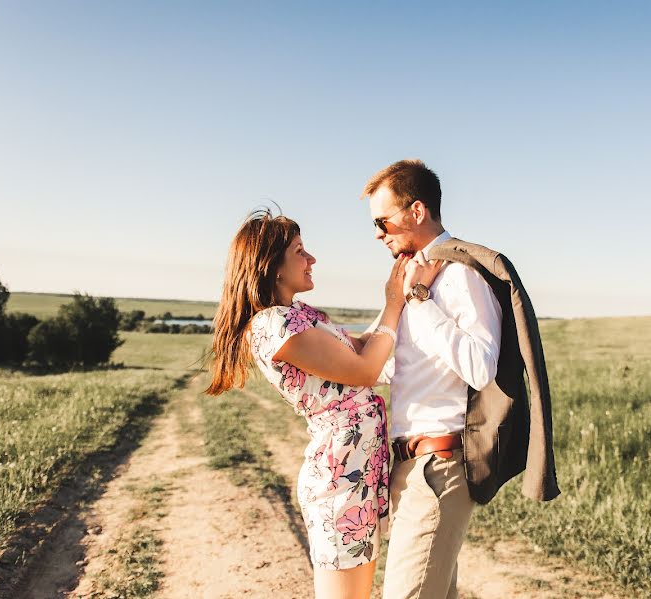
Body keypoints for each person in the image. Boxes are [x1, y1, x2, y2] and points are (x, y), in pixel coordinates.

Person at [205, 209, 442, 599]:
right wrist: (395, 302)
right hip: (340, 480)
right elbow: (366, 370)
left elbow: (364, 347)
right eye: (300, 251)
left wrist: (406, 294)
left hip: (357, 473)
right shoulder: (273, 325)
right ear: (273, 267)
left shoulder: (298, 316)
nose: (311, 259)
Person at [362, 159, 560, 599]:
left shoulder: (460, 275)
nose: (378, 233)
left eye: (382, 220)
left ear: (417, 211)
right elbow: (388, 368)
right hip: (409, 468)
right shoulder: (412, 275)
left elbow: (479, 366)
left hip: (439, 469)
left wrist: (418, 299)